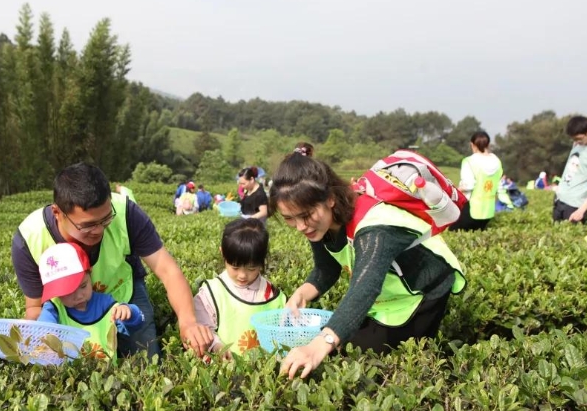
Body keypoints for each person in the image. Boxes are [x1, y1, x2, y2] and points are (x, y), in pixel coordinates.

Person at [268, 154, 466, 379]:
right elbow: (326, 269)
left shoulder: (373, 229)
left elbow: (365, 289)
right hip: (388, 294)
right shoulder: (320, 225)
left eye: (306, 215)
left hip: (422, 292)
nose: (300, 226)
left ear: (330, 199)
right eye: (289, 218)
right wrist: (301, 295)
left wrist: (318, 346)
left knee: (356, 363)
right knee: (338, 345)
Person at [12, 163, 213, 358]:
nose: (99, 230)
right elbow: (35, 307)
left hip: (123, 293)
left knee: (145, 357)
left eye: (106, 219)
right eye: (88, 225)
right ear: (58, 213)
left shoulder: (127, 213)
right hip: (67, 307)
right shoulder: (30, 238)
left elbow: (168, 271)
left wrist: (187, 322)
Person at [36, 242, 145, 361]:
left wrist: (128, 311)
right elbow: (43, 329)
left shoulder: (104, 304)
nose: (79, 296)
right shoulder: (53, 307)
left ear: (90, 274)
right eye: (67, 292)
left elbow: (136, 322)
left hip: (107, 374)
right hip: (69, 375)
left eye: (83, 286)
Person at [193, 218, 285, 356]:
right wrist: (217, 346)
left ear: (262, 261)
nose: (242, 275)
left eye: (252, 268)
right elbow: (203, 329)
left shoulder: (271, 294)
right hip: (224, 371)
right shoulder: (211, 292)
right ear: (223, 253)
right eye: (235, 267)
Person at [554, 116, 587, 223]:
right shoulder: (578, 143)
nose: (576, 142)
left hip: (575, 205)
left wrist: (581, 210)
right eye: (574, 139)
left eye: (579, 139)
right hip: (560, 198)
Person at [449, 131, 503, 231]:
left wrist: (454, 191)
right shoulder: (497, 161)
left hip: (472, 210)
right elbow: (499, 185)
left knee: (452, 231)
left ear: (472, 145)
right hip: (488, 212)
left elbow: (468, 185)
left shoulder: (469, 161)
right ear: (489, 144)